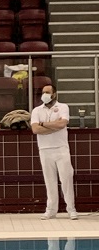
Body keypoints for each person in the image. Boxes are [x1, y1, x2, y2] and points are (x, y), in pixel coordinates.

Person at [30, 84, 78, 220]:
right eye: (43, 92)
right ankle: (51, 209)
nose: (45, 94)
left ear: (54, 94)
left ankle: (71, 209)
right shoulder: (36, 110)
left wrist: (43, 124)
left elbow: (62, 124)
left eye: (48, 92)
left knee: (66, 179)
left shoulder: (63, 107)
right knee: (49, 181)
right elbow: (35, 129)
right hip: (45, 150)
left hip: (61, 148)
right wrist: (53, 126)